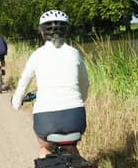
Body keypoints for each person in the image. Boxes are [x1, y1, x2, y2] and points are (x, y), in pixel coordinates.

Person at [11, 10, 89, 158]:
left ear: (42, 33)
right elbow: (85, 84)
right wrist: (81, 99)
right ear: (66, 31)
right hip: (75, 116)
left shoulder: (37, 55)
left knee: (44, 148)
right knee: (71, 147)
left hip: (46, 119)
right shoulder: (74, 53)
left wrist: (16, 102)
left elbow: (23, 83)